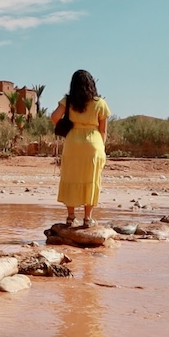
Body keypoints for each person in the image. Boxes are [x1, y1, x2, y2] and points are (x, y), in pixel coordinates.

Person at [50, 70, 111, 228]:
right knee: (91, 179)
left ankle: (71, 217)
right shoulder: (100, 103)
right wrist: (101, 148)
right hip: (93, 143)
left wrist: (67, 125)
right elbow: (103, 130)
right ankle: (87, 218)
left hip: (73, 143)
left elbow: (54, 117)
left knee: (70, 177)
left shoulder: (68, 101)